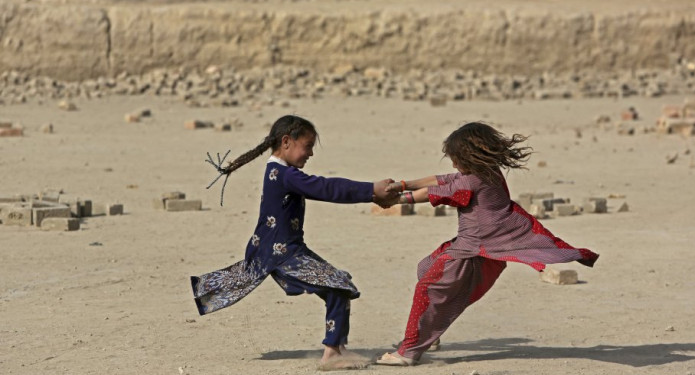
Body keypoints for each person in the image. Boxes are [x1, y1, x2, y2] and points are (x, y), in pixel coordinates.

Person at [375, 122, 599, 366]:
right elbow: (441, 179)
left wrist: (395, 199)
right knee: (426, 268)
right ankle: (430, 335)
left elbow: (432, 193)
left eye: (456, 159)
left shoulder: (470, 182)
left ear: (469, 157)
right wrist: (404, 184)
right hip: (482, 248)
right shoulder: (486, 171)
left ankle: (408, 352)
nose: (453, 165)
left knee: (428, 290)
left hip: (471, 253)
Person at [190, 115, 396, 369]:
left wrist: (372, 196)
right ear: (286, 142)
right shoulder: (283, 174)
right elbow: (325, 188)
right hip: (282, 254)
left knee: (339, 284)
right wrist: (371, 189)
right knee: (338, 285)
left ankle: (338, 347)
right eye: (307, 146)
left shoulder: (279, 172)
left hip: (287, 250)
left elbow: (324, 188)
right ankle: (332, 354)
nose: (310, 154)